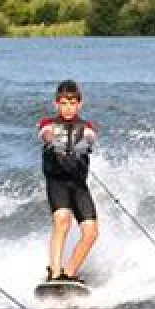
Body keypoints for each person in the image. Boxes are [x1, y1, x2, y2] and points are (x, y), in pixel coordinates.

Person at [38, 79, 98, 282]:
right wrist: (55, 144)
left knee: (91, 232)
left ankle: (68, 274)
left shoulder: (87, 127)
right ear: (56, 104)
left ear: (79, 104)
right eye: (63, 103)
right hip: (57, 182)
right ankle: (54, 272)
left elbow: (90, 138)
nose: (68, 107)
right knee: (62, 220)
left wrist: (80, 148)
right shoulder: (48, 124)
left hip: (79, 185)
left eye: (72, 103)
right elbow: (45, 134)